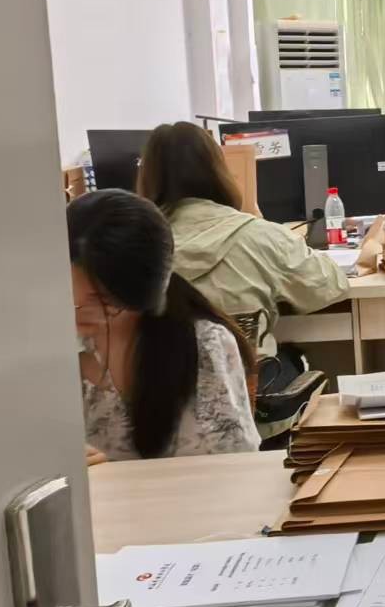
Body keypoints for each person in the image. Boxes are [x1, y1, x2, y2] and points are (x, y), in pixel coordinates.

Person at [137, 121, 349, 407]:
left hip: (159, 409)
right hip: (247, 396)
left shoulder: (135, 246)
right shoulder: (257, 234)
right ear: (218, 170)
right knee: (292, 357)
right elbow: (329, 285)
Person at [69, 189, 257, 461]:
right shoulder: (50, 349)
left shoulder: (203, 344)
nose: (80, 310)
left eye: (103, 300)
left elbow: (232, 464)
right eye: (69, 294)